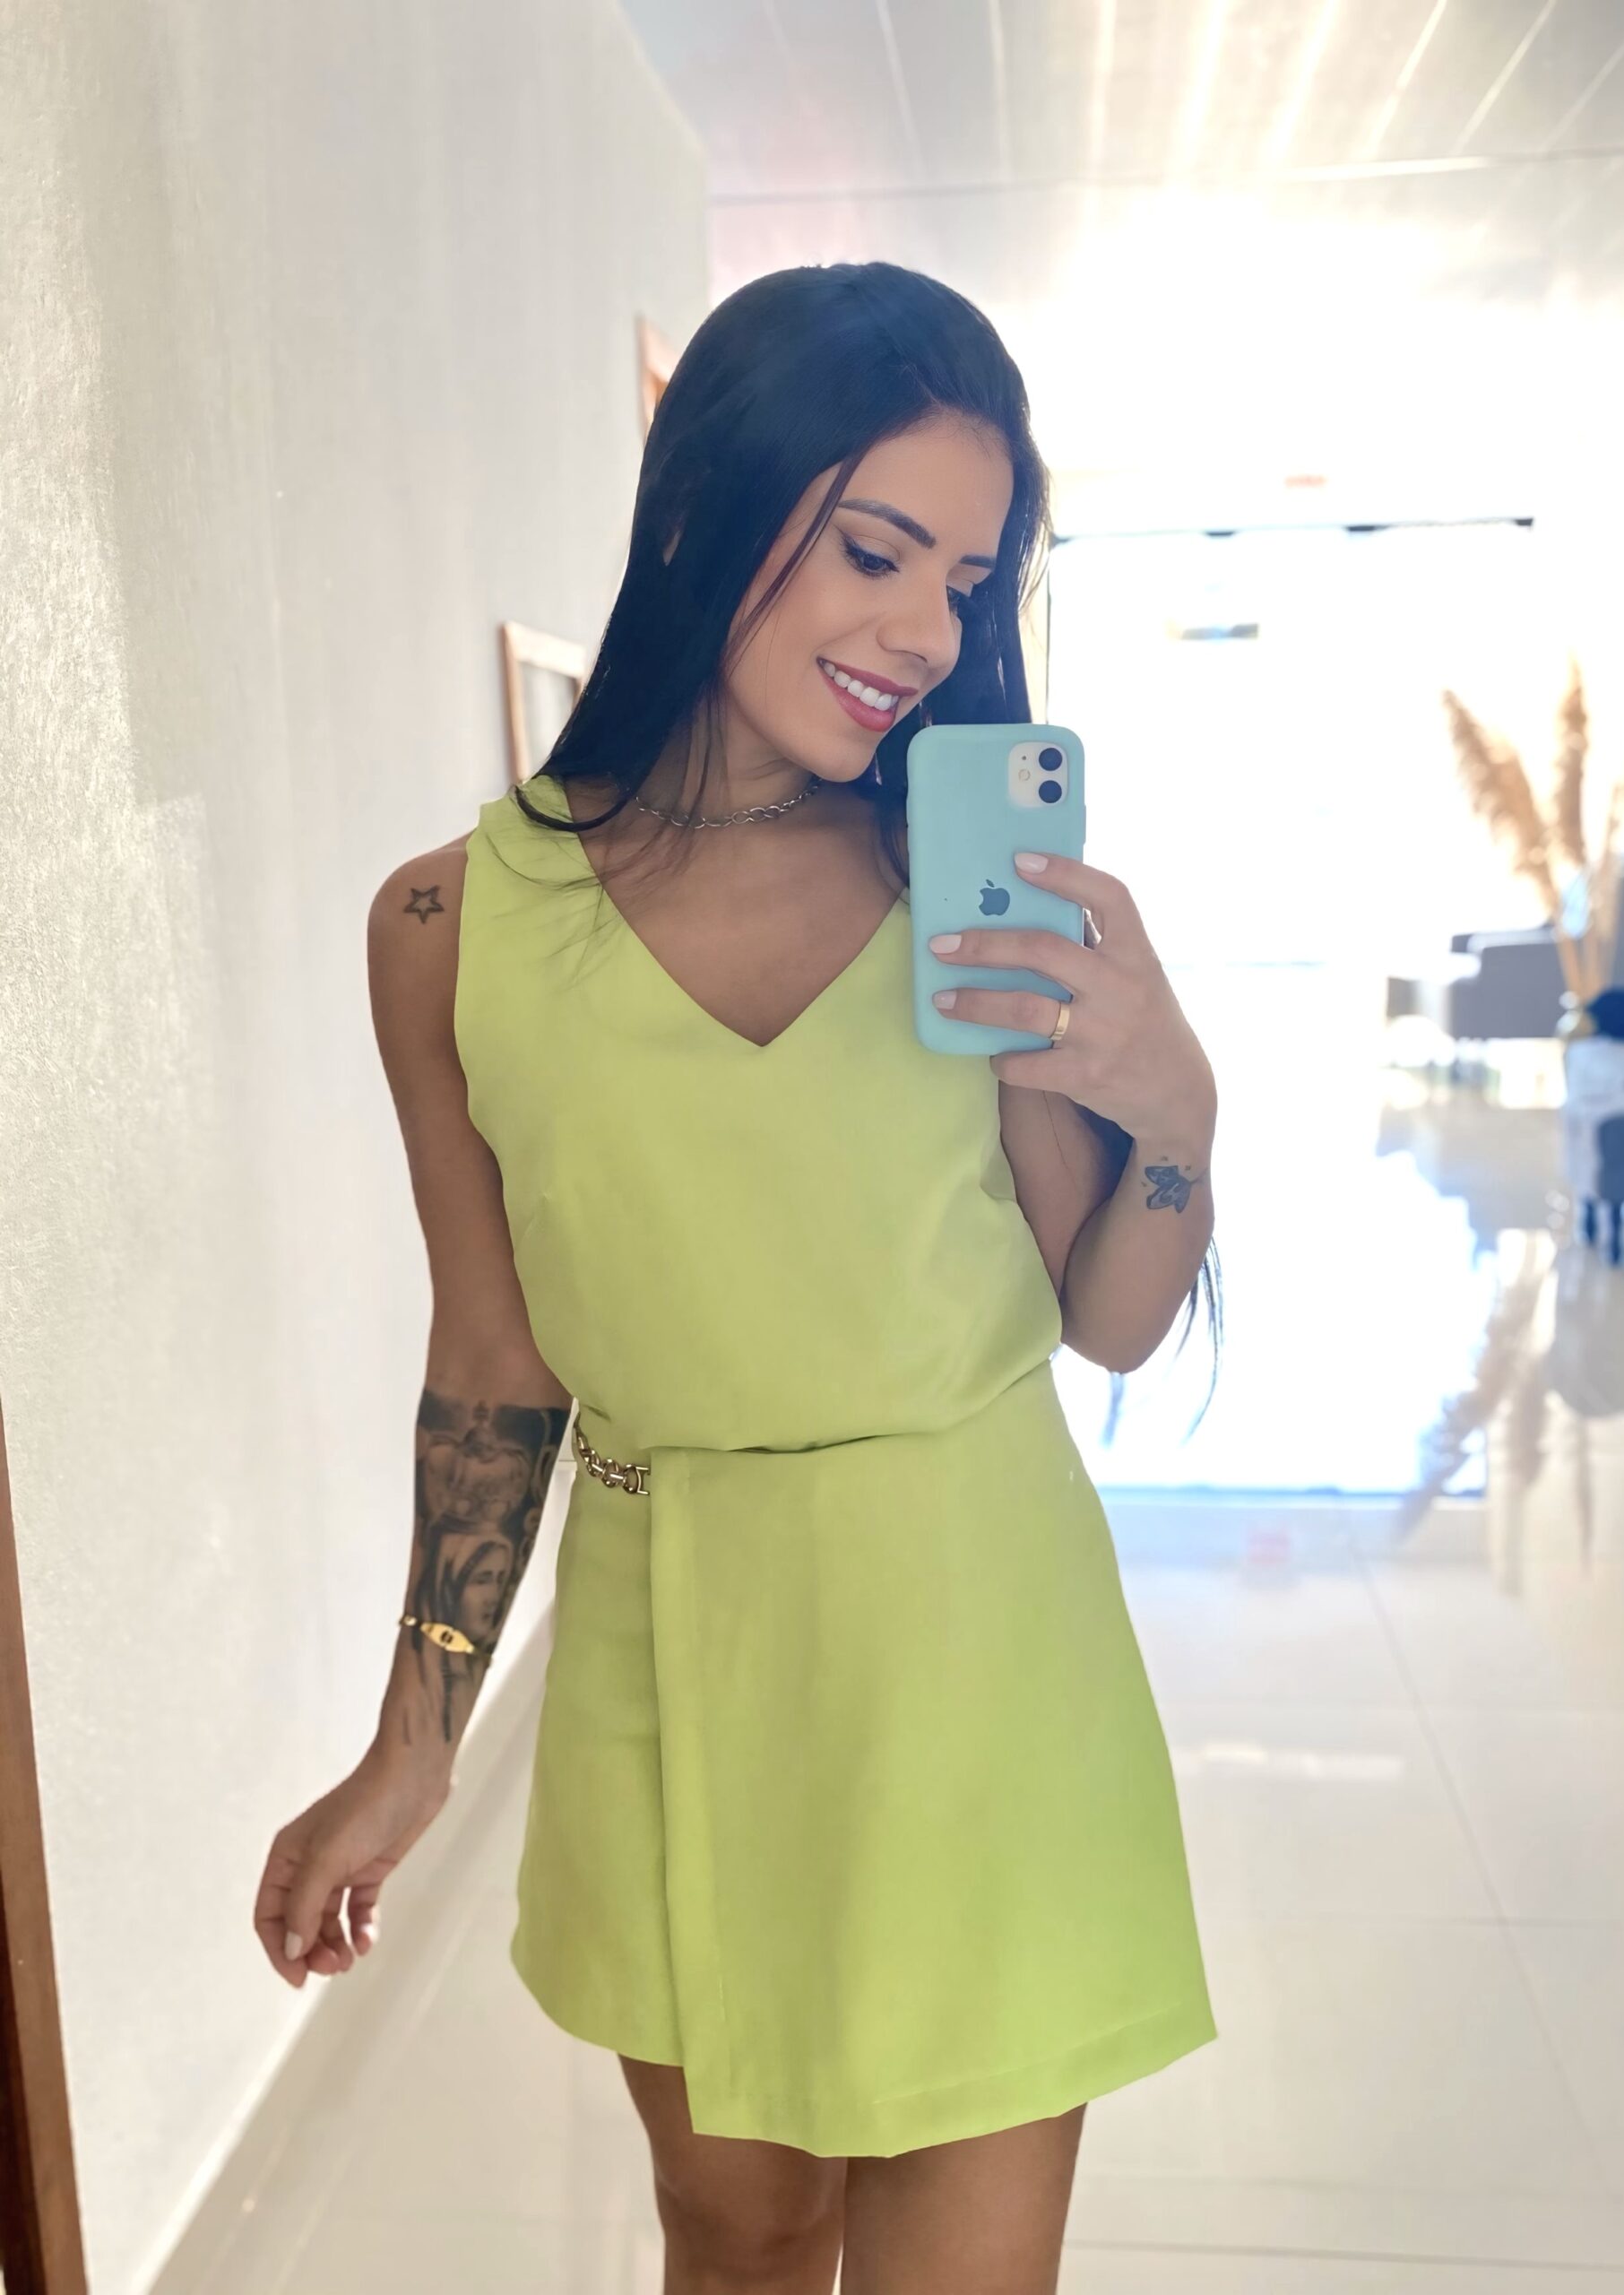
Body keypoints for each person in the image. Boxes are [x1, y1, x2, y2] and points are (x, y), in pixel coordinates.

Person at [255, 260, 1223, 2293]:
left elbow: (1113, 1318)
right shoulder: (450, 926)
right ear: (700, 503)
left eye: (964, 578)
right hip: (672, 1647)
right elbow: (494, 1356)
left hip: (979, 1645)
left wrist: (1172, 1108)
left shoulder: (971, 892)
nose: (923, 630)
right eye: (875, 549)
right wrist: (413, 1738)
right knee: (737, 2232)